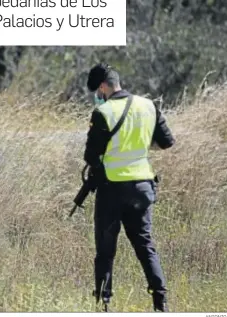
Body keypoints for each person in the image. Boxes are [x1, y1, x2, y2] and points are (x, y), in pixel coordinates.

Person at [84, 63, 175, 312]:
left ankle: (104, 304)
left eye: (97, 90)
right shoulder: (148, 105)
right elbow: (167, 142)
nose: (98, 94)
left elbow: (91, 156)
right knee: (145, 245)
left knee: (105, 249)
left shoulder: (103, 112)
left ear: (103, 87)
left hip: (112, 189)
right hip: (143, 187)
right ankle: (161, 301)